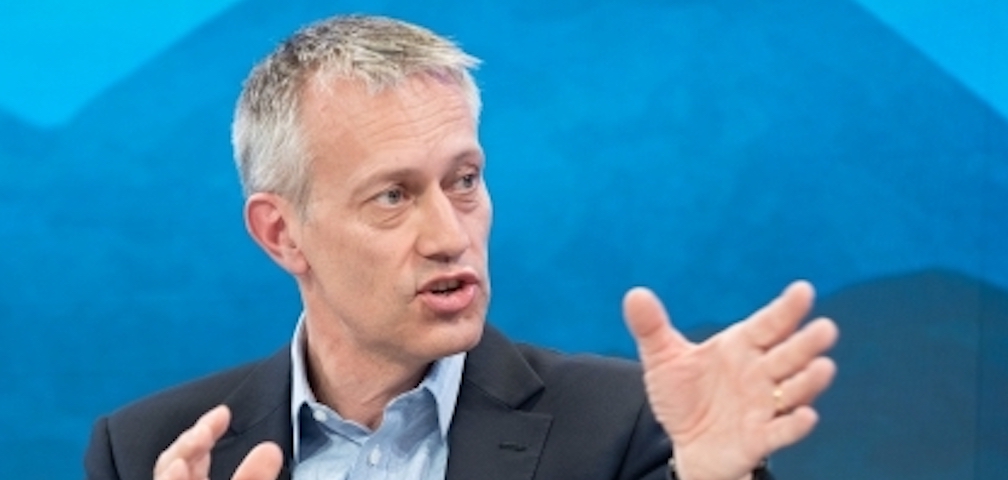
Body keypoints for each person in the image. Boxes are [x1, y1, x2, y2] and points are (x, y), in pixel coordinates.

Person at [84, 14, 839, 480]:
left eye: (465, 181)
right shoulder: (150, 450)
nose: (450, 236)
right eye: (393, 196)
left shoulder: (625, 428)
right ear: (282, 233)